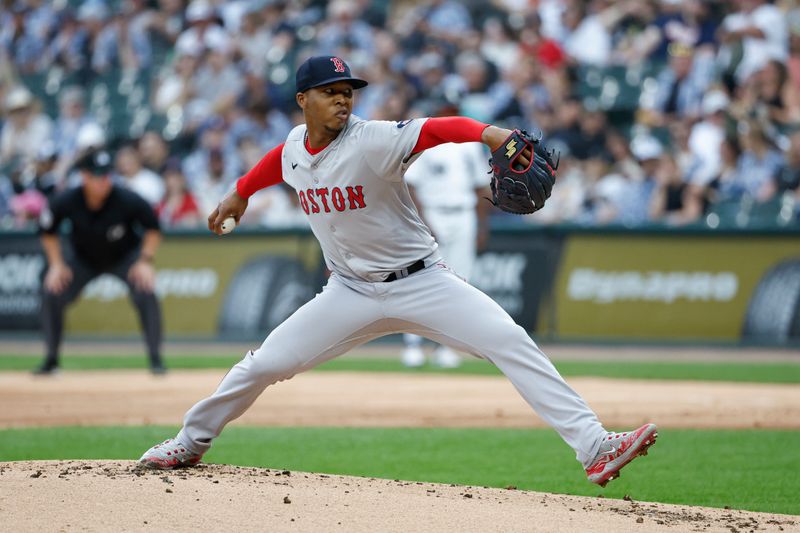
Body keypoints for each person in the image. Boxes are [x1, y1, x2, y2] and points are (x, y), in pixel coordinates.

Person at [139, 56, 657, 487]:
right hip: (347, 293)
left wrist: (492, 135)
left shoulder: (374, 139)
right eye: (329, 91)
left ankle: (593, 445)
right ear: (303, 101)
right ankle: (190, 441)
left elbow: (435, 130)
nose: (343, 99)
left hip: (422, 281)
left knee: (509, 339)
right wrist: (239, 192)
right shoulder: (297, 146)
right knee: (263, 364)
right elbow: (279, 160)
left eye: (348, 91)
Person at [35, 148, 166, 375]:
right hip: (83, 259)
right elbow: (47, 229)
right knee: (52, 292)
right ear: (85, 176)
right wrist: (56, 264)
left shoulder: (126, 198)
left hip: (124, 257)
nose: (103, 181)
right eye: (97, 175)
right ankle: (51, 360)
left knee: (146, 290)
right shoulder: (68, 199)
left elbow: (153, 227)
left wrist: (145, 260)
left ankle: (156, 360)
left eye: (107, 175)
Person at [400, 103, 490, 368]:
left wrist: (482, 225)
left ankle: (446, 347)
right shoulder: (425, 143)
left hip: (463, 214)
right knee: (419, 283)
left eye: (452, 107)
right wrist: (423, 221)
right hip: (433, 212)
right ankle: (413, 345)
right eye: (444, 108)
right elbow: (411, 185)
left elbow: (480, 187)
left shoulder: (470, 144)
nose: (448, 111)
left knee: (460, 284)